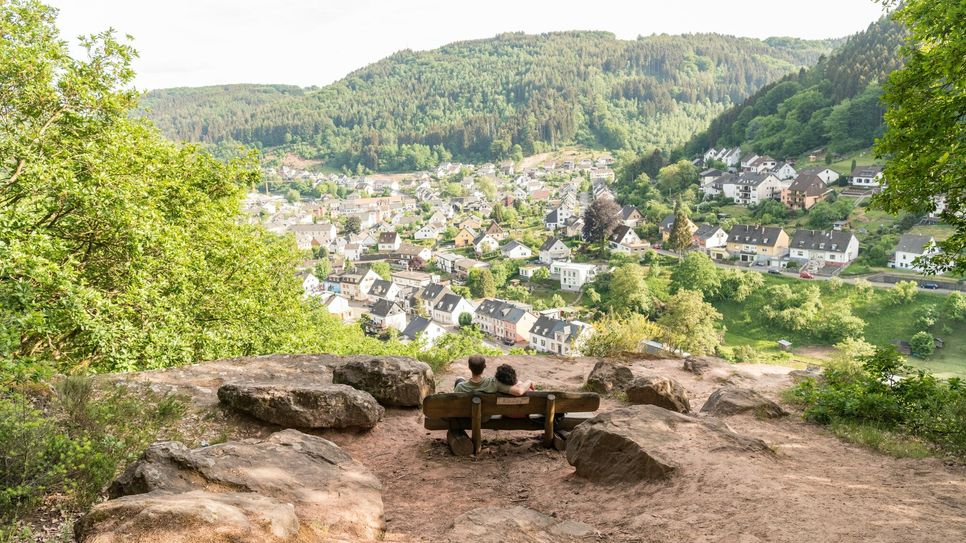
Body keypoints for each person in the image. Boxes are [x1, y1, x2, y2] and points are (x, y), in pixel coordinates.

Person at [454, 355, 532, 395]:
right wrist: (529, 381)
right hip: (485, 418)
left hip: (466, 417)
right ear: (484, 367)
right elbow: (519, 391)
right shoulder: (494, 383)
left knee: (459, 379)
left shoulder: (460, 387)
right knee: (460, 379)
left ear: (469, 367)